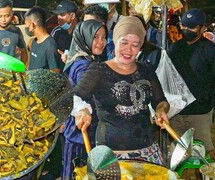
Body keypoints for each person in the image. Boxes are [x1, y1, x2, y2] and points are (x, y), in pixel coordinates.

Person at [71, 16, 170, 165]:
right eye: (124, 42)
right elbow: (74, 97)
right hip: (112, 151)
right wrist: (82, 110)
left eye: (135, 45)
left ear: (141, 47)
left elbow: (161, 101)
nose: (128, 50)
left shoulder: (146, 69)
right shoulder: (99, 70)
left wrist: (161, 109)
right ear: (115, 41)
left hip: (147, 148)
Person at [62, 20, 107, 179]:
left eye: (104, 37)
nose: (101, 42)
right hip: (82, 135)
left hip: (75, 132)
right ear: (85, 37)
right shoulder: (84, 65)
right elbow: (79, 95)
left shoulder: (81, 58)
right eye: (95, 37)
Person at [168, 8, 215, 159]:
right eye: (184, 25)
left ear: (202, 28)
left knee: (203, 155)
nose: (186, 30)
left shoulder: (210, 49)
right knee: (178, 156)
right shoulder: (175, 48)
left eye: (191, 27)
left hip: (200, 113)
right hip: (177, 113)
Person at [24, 7, 62, 73]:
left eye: (27, 25)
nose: (26, 28)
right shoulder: (33, 41)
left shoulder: (50, 46)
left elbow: (56, 73)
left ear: (32, 25)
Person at [50, 0, 79, 70]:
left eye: (62, 14)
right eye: (57, 14)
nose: (58, 17)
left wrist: (71, 59)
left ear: (72, 15)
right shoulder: (56, 32)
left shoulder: (82, 32)